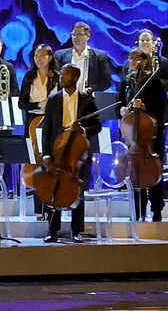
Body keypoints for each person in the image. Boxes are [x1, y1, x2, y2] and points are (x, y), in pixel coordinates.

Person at [39, 64, 100, 242]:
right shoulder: (53, 99)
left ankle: (76, 231)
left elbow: (97, 125)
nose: (60, 77)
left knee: (77, 190)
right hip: (57, 151)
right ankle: (52, 230)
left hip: (77, 152)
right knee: (54, 188)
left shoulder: (86, 100)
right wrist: (46, 155)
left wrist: (82, 130)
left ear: (74, 78)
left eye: (64, 75)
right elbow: (47, 129)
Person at [121, 47, 168, 222]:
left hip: (151, 136)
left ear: (146, 60)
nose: (135, 61)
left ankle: (156, 210)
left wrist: (144, 108)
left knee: (152, 172)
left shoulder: (154, 81)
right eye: (132, 59)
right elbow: (119, 103)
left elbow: (162, 107)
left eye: (139, 58)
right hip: (132, 138)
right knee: (134, 173)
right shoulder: (127, 81)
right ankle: (137, 210)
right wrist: (121, 109)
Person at [19, 43, 59, 218]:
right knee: (37, 163)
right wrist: (38, 105)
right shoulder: (29, 77)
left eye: (43, 56)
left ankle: (54, 204)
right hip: (33, 123)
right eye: (36, 56)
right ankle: (39, 208)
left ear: (50, 57)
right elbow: (22, 103)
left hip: (52, 123)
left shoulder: (57, 77)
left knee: (51, 161)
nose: (39, 59)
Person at [54, 23, 113, 96]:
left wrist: (91, 89)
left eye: (79, 34)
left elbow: (106, 82)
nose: (76, 37)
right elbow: (55, 78)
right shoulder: (60, 55)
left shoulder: (99, 56)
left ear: (88, 36)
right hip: (65, 99)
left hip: (88, 100)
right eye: (73, 34)